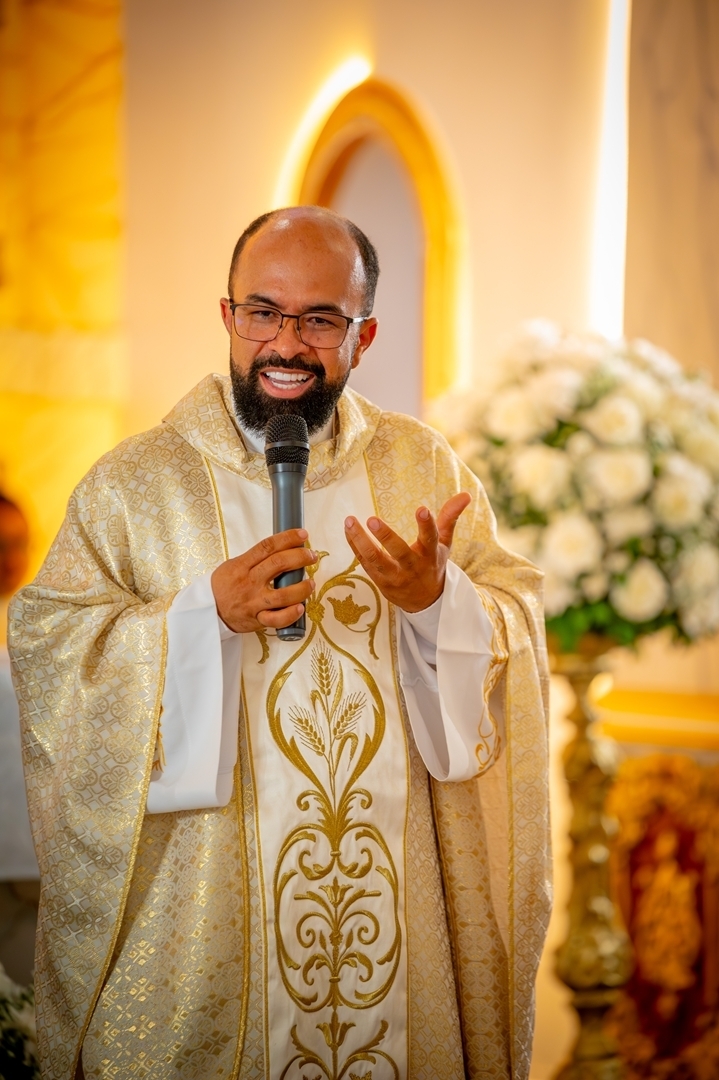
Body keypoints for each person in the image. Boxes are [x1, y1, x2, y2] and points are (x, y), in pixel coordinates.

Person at [9, 206, 550, 1080]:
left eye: (319, 319)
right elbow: (51, 641)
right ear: (226, 317)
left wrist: (436, 603)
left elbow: (513, 615)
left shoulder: (425, 469)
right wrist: (196, 619)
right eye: (262, 311)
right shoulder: (135, 484)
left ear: (363, 335)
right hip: (200, 927)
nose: (285, 343)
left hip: (399, 929)